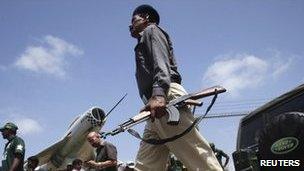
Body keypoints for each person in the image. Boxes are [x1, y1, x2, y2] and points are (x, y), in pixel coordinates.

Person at [129, 4, 223, 171]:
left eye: (134, 19)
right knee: (144, 166)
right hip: (155, 108)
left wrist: (159, 95)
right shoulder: (144, 38)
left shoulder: (152, 31)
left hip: (166, 98)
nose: (130, 25)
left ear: (146, 18)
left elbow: (161, 63)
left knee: (197, 158)